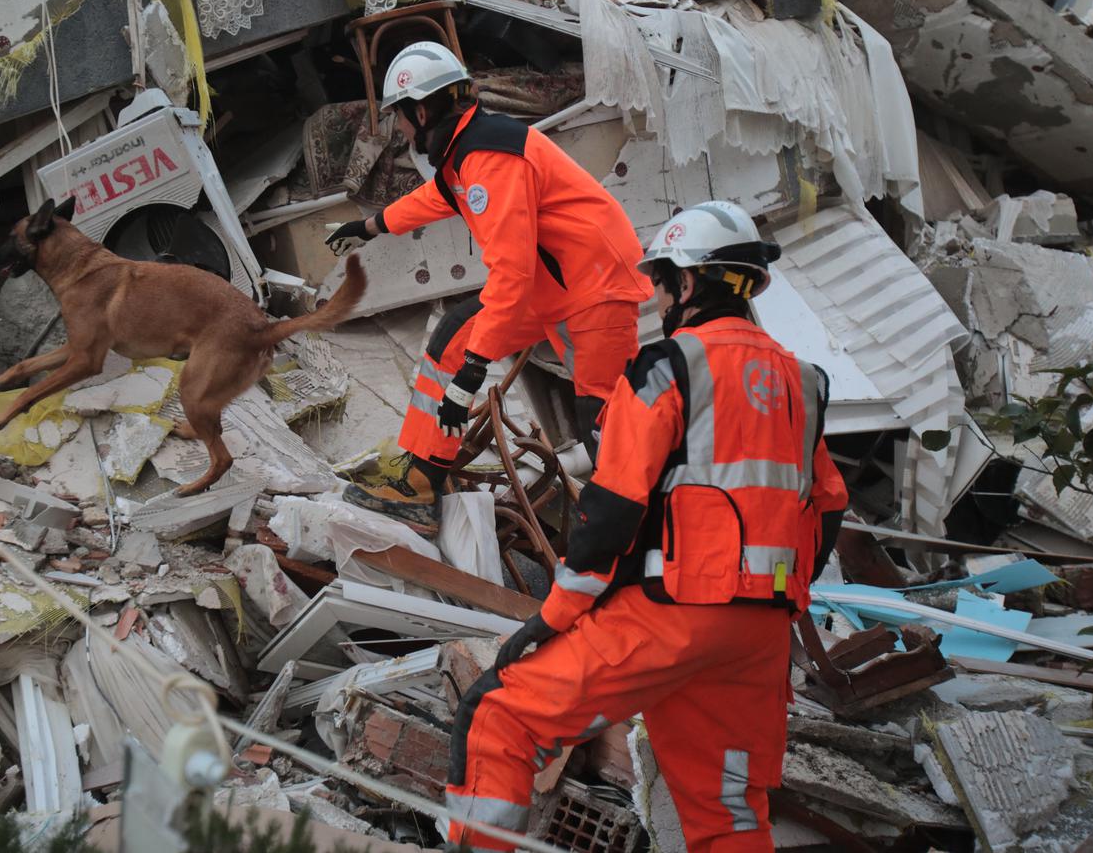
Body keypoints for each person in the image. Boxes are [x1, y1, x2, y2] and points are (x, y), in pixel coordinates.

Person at [442, 200, 850, 852]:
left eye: (660, 283)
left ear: (686, 284)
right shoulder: (804, 382)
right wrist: (783, 600)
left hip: (673, 617)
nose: (657, 298)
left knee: (500, 716)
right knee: (729, 815)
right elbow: (828, 505)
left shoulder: (666, 367)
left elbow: (611, 510)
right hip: (760, 636)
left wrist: (552, 619)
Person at [325, 41, 652, 535]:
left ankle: (633, 536)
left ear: (421, 108)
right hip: (557, 285)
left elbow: (512, 272)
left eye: (400, 117)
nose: (399, 129)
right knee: (452, 338)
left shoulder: (491, 158)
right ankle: (421, 482)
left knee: (603, 422)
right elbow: (440, 196)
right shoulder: (467, 151)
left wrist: (475, 371)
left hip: (593, 289)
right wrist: (372, 226)